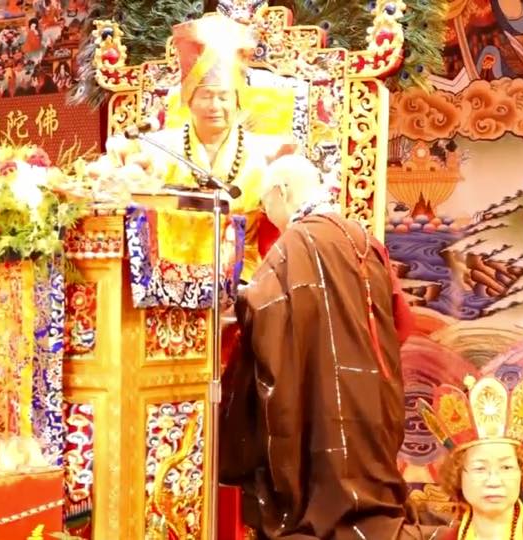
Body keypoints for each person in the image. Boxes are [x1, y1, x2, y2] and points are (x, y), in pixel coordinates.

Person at [219, 155, 438, 539]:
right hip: (371, 392)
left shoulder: (294, 243)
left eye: (265, 204)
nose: (267, 213)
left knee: (315, 469)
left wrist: (234, 296)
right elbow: (402, 322)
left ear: (281, 192)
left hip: (316, 389)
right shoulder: (364, 240)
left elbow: (261, 309)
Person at [140, 13, 291, 281]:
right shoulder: (161, 148)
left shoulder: (264, 153)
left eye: (223, 97)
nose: (215, 106)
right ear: (189, 101)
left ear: (237, 102)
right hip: (171, 277)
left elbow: (286, 217)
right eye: (206, 96)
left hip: (242, 279)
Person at [419, 375, 523, 540]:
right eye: (480, 468)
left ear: (522, 472)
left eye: (506, 467)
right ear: (458, 477)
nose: (494, 481)